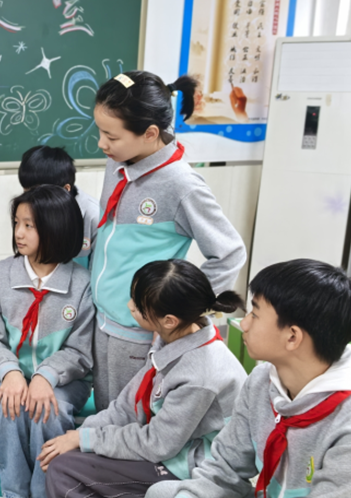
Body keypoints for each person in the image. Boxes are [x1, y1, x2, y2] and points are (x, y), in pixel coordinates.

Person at [90, 70, 246, 410]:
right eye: (99, 131)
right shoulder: (118, 162)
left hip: (138, 331)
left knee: (128, 420)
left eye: (111, 136)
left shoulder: (182, 185)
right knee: (105, 412)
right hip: (102, 319)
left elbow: (230, 253)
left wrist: (180, 306)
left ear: (150, 133)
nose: (102, 144)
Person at [147, 259, 351, 498]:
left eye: (255, 314)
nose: (244, 324)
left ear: (292, 337)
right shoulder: (261, 380)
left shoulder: (350, 422)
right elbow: (224, 470)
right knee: (161, 493)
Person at [40, 259, 247, 497]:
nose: (130, 306)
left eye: (138, 306)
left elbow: (157, 444)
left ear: (169, 320)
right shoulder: (173, 337)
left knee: (63, 470)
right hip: (171, 448)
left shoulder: (201, 374)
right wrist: (79, 436)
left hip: (194, 467)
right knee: (67, 455)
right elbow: (127, 406)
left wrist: (86, 439)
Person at [0, 185, 93, 498]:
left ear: (56, 229)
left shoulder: (82, 284)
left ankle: (44, 493)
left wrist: (45, 376)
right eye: (17, 223)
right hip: (12, 376)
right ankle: (14, 493)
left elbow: (80, 351)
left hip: (65, 382)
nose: (19, 233)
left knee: (48, 411)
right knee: (6, 409)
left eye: (29, 225)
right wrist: (10, 372)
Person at [17, 146, 98, 269]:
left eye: (39, 195)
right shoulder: (25, 210)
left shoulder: (94, 216)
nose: (30, 201)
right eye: (26, 192)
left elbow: (98, 273)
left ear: (65, 190)